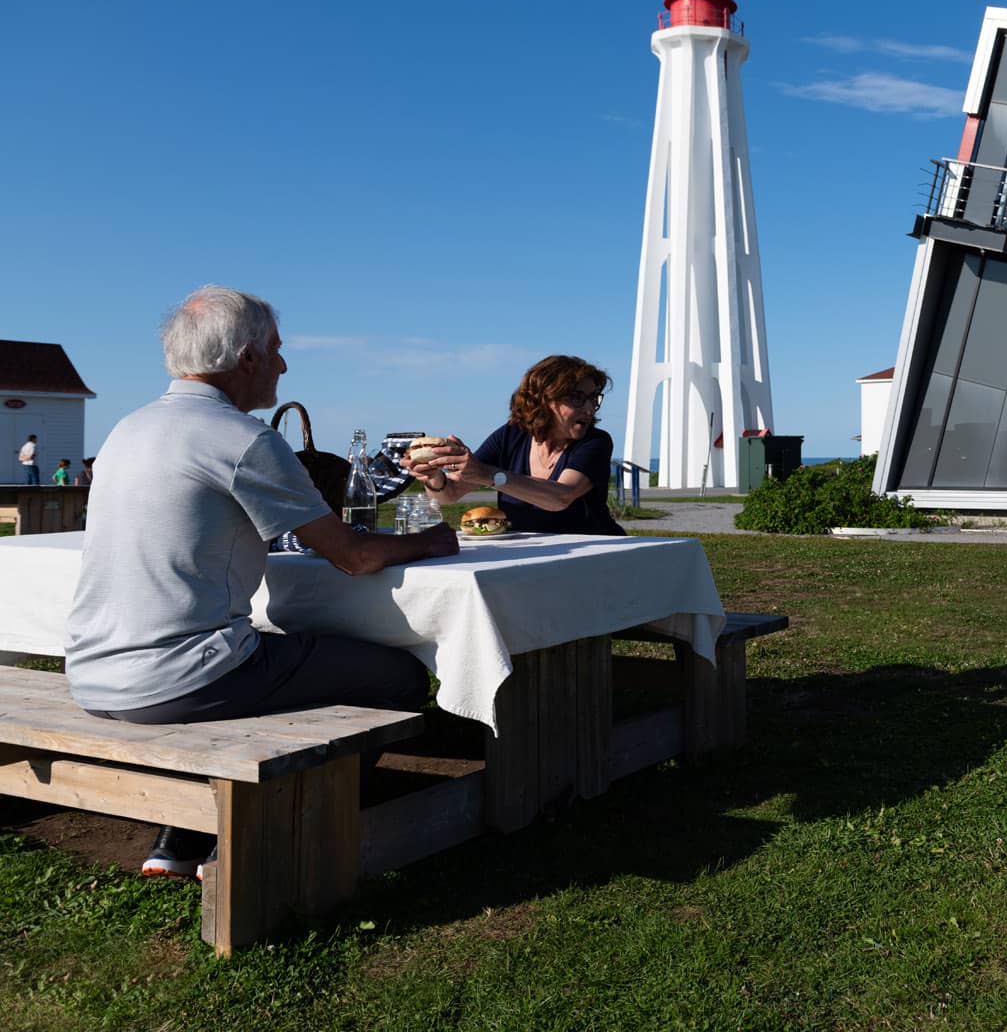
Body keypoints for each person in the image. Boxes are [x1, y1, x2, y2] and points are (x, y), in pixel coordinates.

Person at [66, 284, 460, 878]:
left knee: (284, 659)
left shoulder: (129, 428)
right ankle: (270, 832)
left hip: (92, 671)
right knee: (399, 678)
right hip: (178, 676)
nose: (282, 363)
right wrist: (433, 540)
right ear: (247, 358)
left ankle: (179, 841)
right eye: (276, 349)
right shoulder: (244, 438)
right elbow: (351, 556)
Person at [412, 354, 625, 536]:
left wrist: (487, 474)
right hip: (529, 556)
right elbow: (450, 494)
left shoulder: (596, 442)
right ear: (544, 399)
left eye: (593, 398)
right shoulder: (510, 436)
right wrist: (433, 477)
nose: (589, 409)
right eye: (577, 398)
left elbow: (561, 497)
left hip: (595, 557)